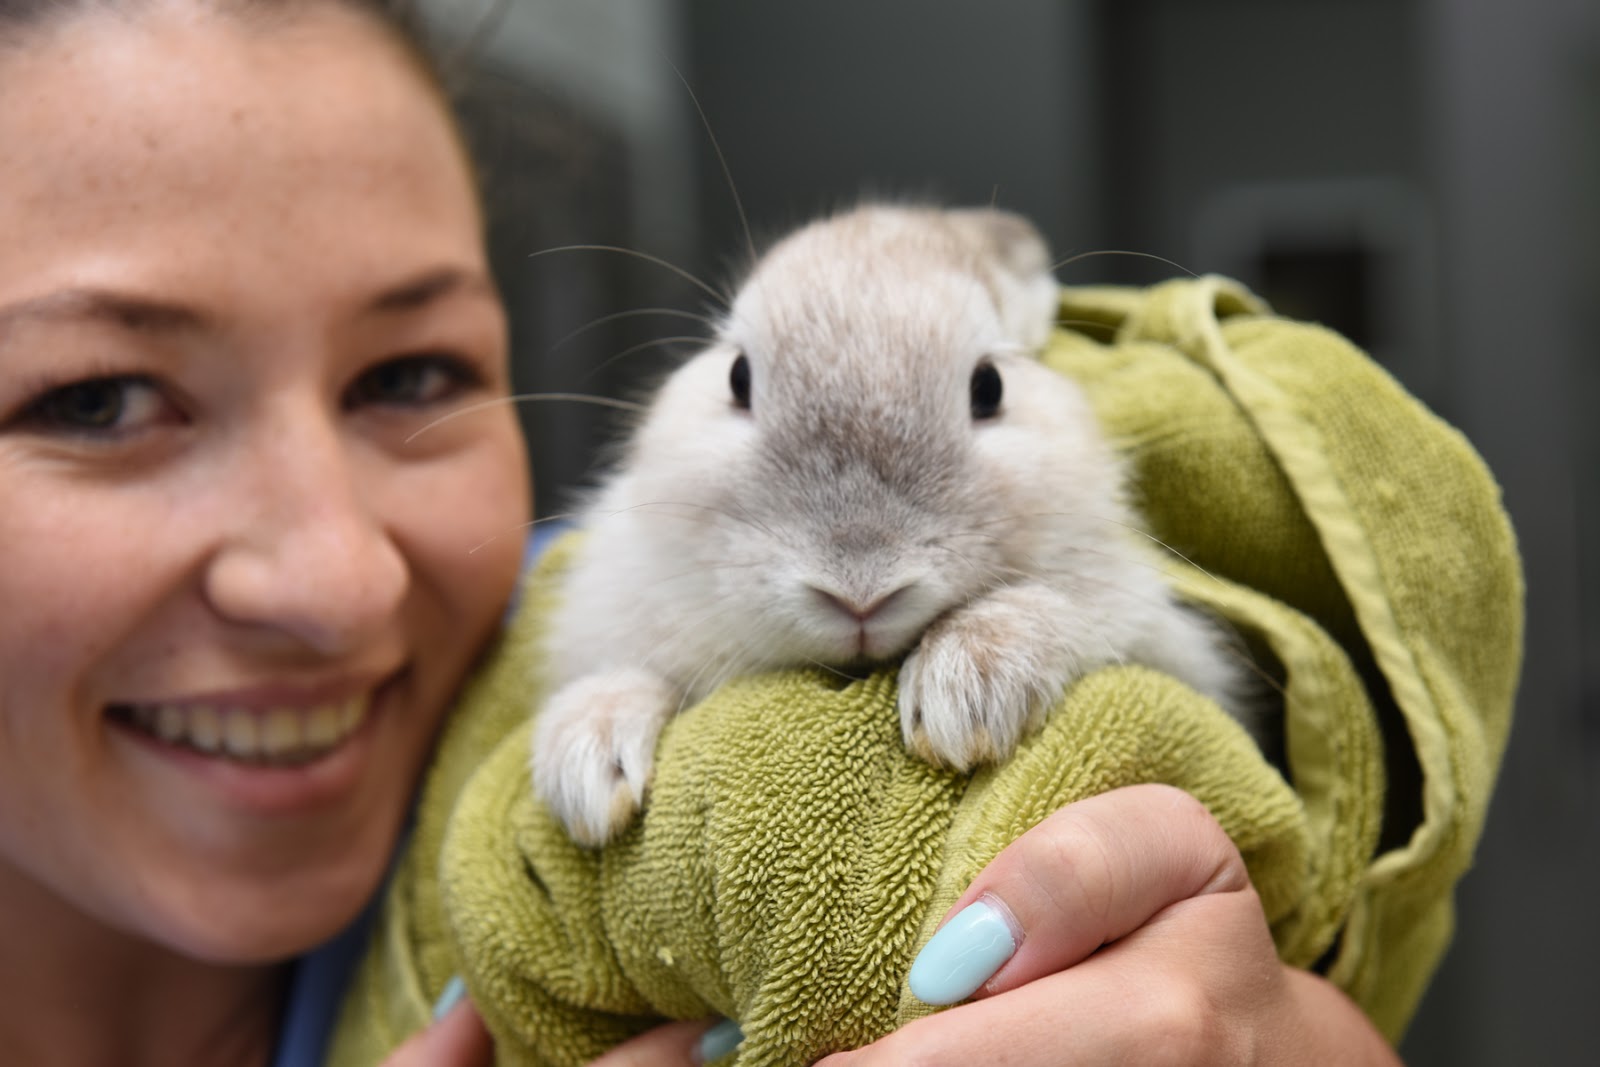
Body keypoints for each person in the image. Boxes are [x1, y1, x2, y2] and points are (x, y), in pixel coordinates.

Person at [0, 1, 1404, 1064]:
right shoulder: (623, 606)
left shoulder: (509, 631)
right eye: (95, 397)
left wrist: (1291, 1029)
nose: (336, 579)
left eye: (409, 376)